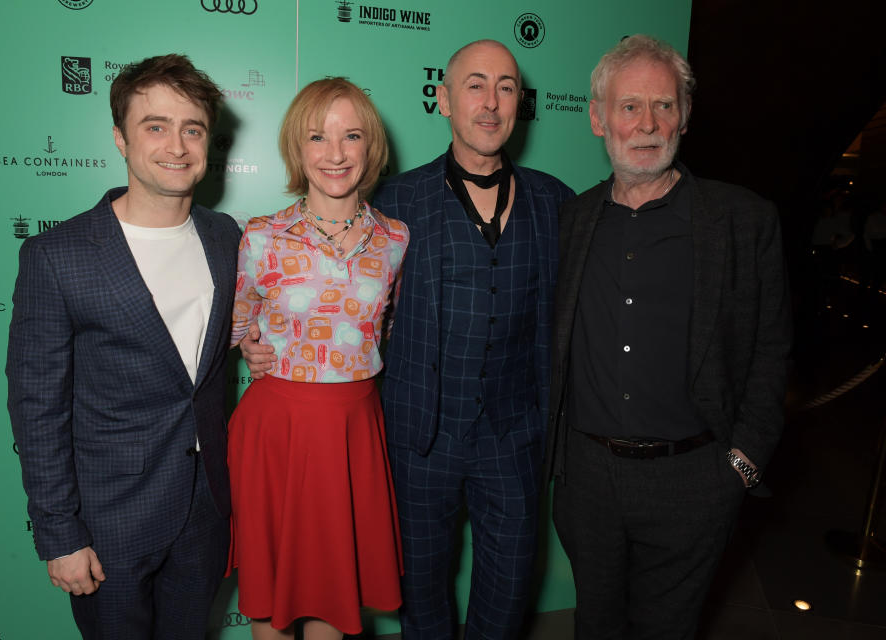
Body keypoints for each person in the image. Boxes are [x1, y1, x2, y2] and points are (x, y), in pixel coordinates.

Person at [545, 35, 792, 639]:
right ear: (598, 118)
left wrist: (741, 463)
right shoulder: (570, 220)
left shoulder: (743, 220)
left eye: (665, 105)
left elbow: (772, 350)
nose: (648, 124)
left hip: (696, 479)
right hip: (588, 480)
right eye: (630, 106)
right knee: (595, 625)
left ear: (684, 114)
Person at [6, 54, 240, 639]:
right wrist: (60, 534)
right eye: (155, 126)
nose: (177, 145)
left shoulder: (227, 236)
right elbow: (37, 408)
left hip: (208, 507)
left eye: (193, 128)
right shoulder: (57, 256)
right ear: (120, 138)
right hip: (108, 520)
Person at [372, 39, 573, 639]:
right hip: (419, 443)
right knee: (421, 600)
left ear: (519, 103)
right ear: (444, 101)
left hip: (515, 442)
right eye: (475, 85)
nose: (491, 102)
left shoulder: (555, 202)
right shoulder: (395, 200)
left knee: (507, 599)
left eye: (506, 87)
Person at [227, 77, 408, 640]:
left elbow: (390, 324)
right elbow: (236, 322)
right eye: (318, 137)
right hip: (276, 431)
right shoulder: (261, 236)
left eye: (351, 136)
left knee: (336, 594)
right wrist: (252, 347)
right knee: (271, 597)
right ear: (296, 148)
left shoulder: (396, 239)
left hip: (354, 428)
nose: (335, 154)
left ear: (369, 147)